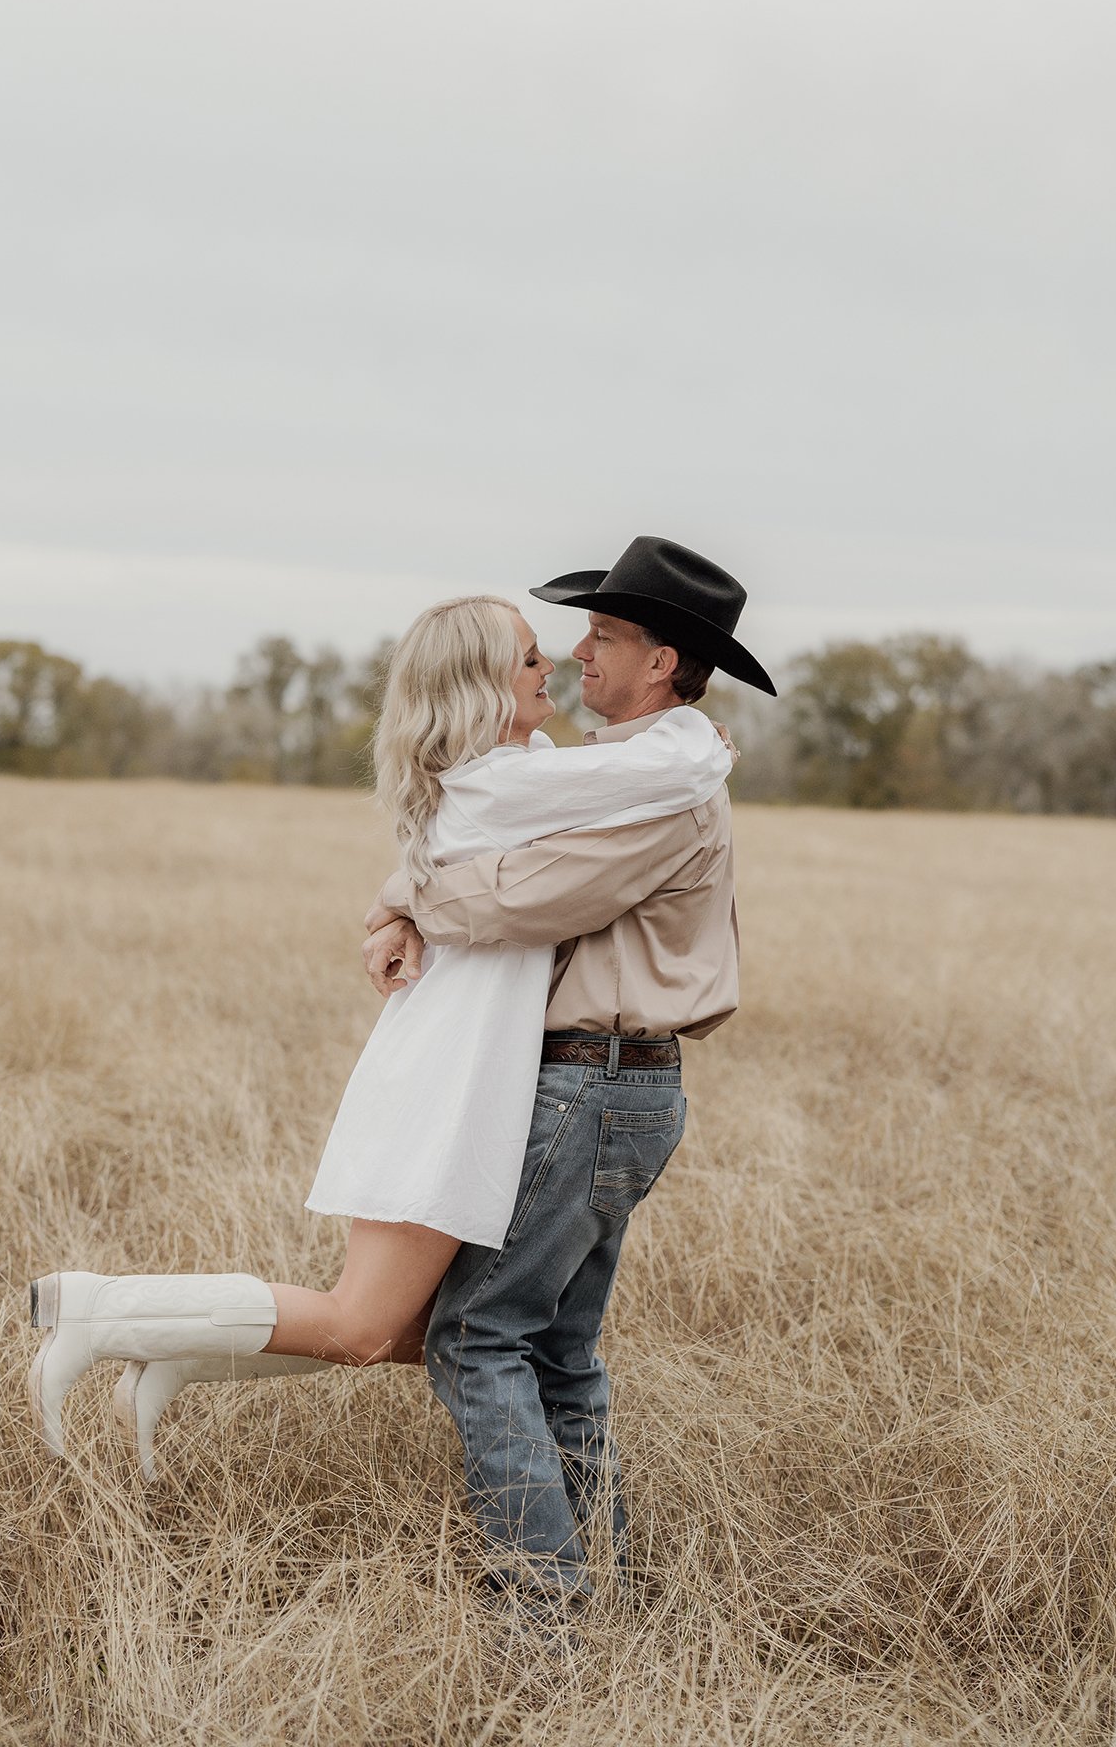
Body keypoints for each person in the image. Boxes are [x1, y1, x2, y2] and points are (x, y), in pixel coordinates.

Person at [27, 588, 733, 1480]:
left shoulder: (529, 775)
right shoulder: (516, 783)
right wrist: (701, 742)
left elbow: (527, 824)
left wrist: (398, 901)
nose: (559, 656)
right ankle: (105, 1311)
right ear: (481, 685)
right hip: (454, 1073)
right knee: (380, 1325)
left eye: (597, 636)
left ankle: (174, 1355)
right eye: (528, 656)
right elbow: (598, 827)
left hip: (478, 1070)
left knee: (413, 1332)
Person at [361, 536, 776, 1618]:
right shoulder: (617, 773)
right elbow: (478, 832)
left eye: (605, 635)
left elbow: (508, 899)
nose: (578, 653)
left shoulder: (658, 794)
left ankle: (542, 1618)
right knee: (554, 1344)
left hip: (592, 1080)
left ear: (662, 662)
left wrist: (417, 899)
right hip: (610, 1080)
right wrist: (402, 895)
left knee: (475, 1333)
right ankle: (604, 1594)